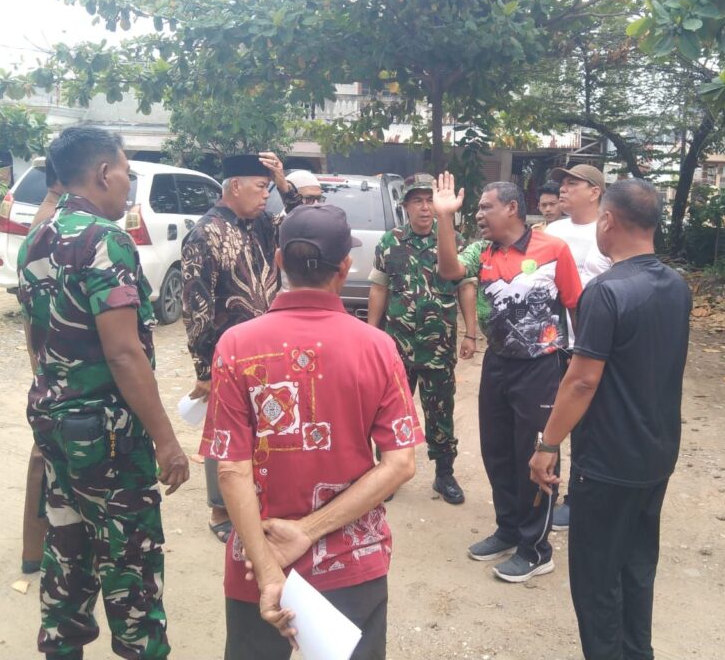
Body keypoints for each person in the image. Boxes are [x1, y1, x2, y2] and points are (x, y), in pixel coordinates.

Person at [202, 204, 422, 660]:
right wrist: (309, 530)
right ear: (346, 266)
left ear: (279, 261)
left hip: (258, 558)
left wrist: (268, 571)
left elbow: (231, 471)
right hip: (350, 559)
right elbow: (400, 463)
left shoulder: (236, 345)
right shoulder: (378, 347)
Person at [17, 126, 190, 659]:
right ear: (102, 172)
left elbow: (35, 335)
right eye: (127, 174)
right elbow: (123, 353)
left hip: (54, 421)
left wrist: (57, 393)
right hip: (108, 436)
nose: (128, 186)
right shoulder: (104, 240)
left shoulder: (37, 237)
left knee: (67, 542)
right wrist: (166, 441)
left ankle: (62, 646)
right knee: (130, 557)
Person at [529, 179, 690, 660]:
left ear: (608, 221)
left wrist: (547, 444)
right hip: (657, 452)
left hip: (609, 460)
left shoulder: (607, 291)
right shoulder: (677, 285)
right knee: (637, 566)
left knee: (597, 577)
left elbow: (581, 381)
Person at [435, 173, 582, 582]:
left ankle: (536, 549)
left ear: (512, 208)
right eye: (478, 208)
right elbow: (448, 269)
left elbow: (576, 305)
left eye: (487, 207)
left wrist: (581, 364)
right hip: (498, 363)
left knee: (534, 455)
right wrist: (444, 217)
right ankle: (509, 529)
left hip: (541, 365)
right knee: (497, 451)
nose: (479, 214)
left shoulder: (553, 249)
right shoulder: (481, 251)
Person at [181, 152, 300, 543]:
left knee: (267, 425)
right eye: (261, 187)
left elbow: (302, 221)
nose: (267, 196)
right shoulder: (206, 234)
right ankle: (221, 509)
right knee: (225, 433)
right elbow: (195, 307)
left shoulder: (262, 225)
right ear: (235, 186)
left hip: (268, 349)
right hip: (227, 356)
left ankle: (257, 498)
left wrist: (283, 183)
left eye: (268, 189)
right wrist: (204, 370)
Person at [367, 173, 478, 505]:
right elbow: (379, 288)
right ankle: (387, 474)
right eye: (417, 201)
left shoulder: (454, 241)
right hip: (397, 346)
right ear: (406, 206)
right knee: (391, 411)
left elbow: (465, 287)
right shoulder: (389, 242)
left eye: (430, 200)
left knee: (440, 410)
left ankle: (444, 474)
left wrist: (470, 333)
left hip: (438, 346)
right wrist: (371, 333)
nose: (425, 207)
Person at [544, 164, 612, 531]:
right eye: (562, 183)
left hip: (595, 345)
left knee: (588, 425)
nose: (563, 189)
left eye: (573, 183)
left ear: (595, 191)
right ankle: (547, 491)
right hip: (554, 343)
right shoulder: (553, 232)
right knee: (550, 419)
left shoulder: (610, 231)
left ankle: (578, 497)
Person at [20, 158, 65, 574]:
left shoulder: (43, 221)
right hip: (58, 357)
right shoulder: (53, 225)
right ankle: (36, 550)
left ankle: (34, 549)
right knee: (47, 453)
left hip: (45, 352)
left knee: (45, 451)